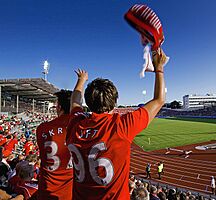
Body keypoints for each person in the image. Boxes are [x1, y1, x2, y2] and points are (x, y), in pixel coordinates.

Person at [66, 47, 167, 200]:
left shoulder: (75, 124)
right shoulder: (121, 126)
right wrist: (159, 68)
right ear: (114, 103)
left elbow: (75, 101)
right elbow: (159, 100)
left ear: (88, 102)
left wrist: (81, 80)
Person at [36, 90, 73, 200]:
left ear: (60, 107)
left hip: (46, 190)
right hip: (70, 192)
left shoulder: (42, 128)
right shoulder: (80, 127)